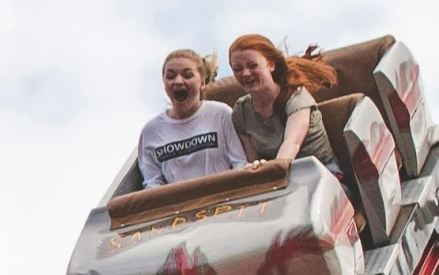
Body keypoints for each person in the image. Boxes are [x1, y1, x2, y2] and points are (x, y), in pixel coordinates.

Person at [136, 49, 248, 188]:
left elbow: (240, 163)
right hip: (179, 207)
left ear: (202, 82)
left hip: (224, 202)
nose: (178, 81)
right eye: (170, 76)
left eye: (187, 75)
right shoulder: (151, 131)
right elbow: (152, 182)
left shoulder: (220, 113)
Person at [226, 36, 338, 168]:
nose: (245, 73)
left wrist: (274, 172)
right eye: (238, 69)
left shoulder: (295, 95)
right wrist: (257, 168)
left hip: (319, 170)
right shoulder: (241, 111)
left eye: (253, 65)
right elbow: (253, 159)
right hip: (279, 178)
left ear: (271, 65)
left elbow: (292, 143)